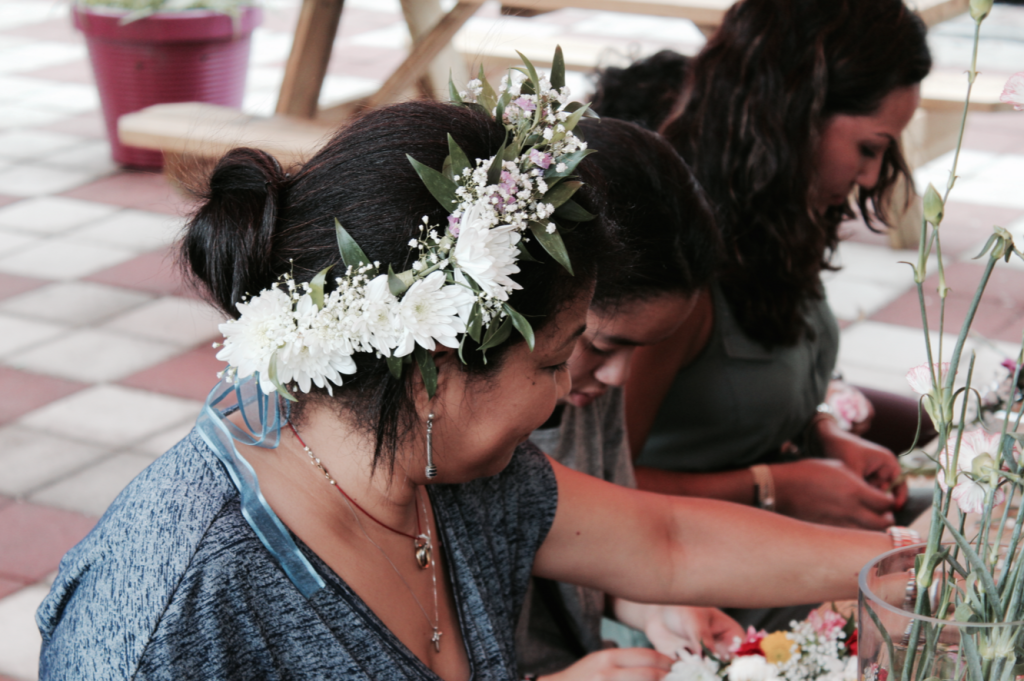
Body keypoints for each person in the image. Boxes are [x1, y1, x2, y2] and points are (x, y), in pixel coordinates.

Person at [36, 70, 896, 681]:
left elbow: (667, 542)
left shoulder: (442, 467)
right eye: (559, 359)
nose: (568, 395)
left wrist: (910, 565)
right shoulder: (180, 605)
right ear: (435, 366)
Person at [621, 0, 936, 545]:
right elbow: (594, 488)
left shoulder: (777, 213)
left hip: (777, 528)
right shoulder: (673, 255)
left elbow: (762, 378)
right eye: (869, 148)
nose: (871, 176)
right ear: (794, 114)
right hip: (690, 576)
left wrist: (823, 431)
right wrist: (773, 487)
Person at [517, 118, 743, 680]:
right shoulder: (449, 446)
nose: (619, 377)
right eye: (597, 344)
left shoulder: (590, 388)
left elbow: (618, 553)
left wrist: (656, 604)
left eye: (639, 350)